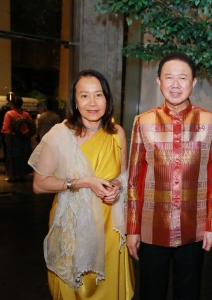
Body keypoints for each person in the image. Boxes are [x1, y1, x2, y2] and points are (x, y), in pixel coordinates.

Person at [28, 70, 134, 299]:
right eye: (84, 96)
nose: (92, 103)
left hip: (111, 227)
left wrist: (117, 186)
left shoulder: (117, 133)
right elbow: (39, 184)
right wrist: (82, 182)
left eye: (98, 95)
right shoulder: (60, 135)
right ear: (75, 101)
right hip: (73, 228)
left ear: (107, 99)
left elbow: (124, 173)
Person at [126, 52, 212, 300]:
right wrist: (132, 229)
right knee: (151, 292)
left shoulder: (211, 122)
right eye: (169, 77)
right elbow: (134, 180)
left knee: (189, 293)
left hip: (194, 225)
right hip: (151, 226)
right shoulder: (143, 122)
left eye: (183, 78)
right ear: (158, 82)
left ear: (193, 83)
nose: (176, 84)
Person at [1, 95, 34, 182]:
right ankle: (22, 174)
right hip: (25, 139)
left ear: (12, 104)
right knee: (23, 157)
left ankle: (12, 176)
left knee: (12, 157)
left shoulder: (9, 114)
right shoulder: (26, 114)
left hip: (14, 138)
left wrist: (6, 140)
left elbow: (6, 128)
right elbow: (32, 126)